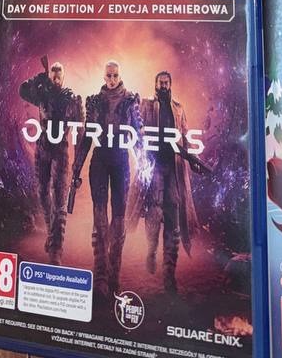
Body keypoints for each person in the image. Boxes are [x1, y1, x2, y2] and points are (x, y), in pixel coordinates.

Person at [69, 61, 143, 298]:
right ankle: (100, 274)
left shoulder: (131, 101)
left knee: (119, 219)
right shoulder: (94, 101)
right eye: (108, 75)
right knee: (99, 217)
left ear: (119, 76)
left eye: (115, 75)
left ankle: (114, 275)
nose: (112, 79)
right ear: (104, 76)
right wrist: (76, 168)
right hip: (100, 161)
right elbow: (87, 136)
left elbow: (139, 135)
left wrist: (145, 164)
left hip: (121, 161)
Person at [130, 71, 200, 293]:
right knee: (154, 212)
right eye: (160, 82)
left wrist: (193, 159)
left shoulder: (178, 108)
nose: (163, 86)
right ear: (155, 84)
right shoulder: (146, 106)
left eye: (166, 83)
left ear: (170, 84)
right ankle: (151, 250)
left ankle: (169, 272)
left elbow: (185, 137)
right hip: (154, 165)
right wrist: (141, 156)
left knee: (173, 218)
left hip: (174, 167)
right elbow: (135, 132)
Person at [19, 58, 83, 264]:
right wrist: (39, 78)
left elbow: (81, 129)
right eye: (52, 76)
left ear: (63, 78)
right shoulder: (43, 94)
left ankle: (57, 247)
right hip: (43, 148)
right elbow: (22, 90)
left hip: (60, 150)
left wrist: (78, 162)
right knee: (42, 193)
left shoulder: (71, 98)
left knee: (59, 197)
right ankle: (50, 232)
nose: (56, 79)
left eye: (58, 76)